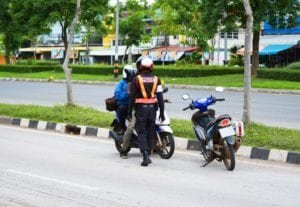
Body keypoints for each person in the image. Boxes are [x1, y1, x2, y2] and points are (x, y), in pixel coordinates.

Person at [127, 57, 165, 166]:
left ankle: (145, 155)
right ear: (152, 67)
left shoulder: (136, 79)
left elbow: (131, 97)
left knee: (141, 132)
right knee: (150, 131)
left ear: (141, 67)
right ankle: (148, 153)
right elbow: (160, 98)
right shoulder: (157, 79)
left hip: (141, 110)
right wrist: (162, 112)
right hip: (152, 109)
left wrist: (129, 112)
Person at [114, 65, 137, 134]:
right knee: (122, 108)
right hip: (124, 104)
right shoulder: (121, 83)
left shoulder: (135, 82)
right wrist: (127, 93)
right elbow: (117, 95)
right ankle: (122, 127)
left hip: (135, 104)